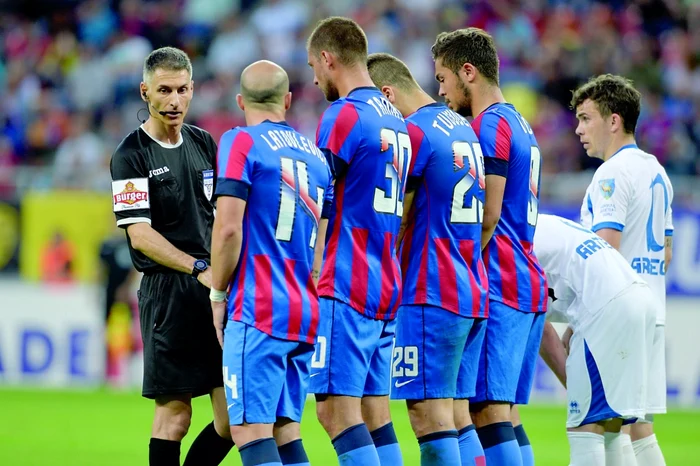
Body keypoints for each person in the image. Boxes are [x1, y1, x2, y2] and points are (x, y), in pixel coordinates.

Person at [109, 46, 233, 466]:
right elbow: (140, 236)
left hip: (212, 289)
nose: (174, 100)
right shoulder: (130, 155)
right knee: (174, 416)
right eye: (164, 90)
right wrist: (197, 267)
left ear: (193, 89)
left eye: (182, 90)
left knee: (233, 420)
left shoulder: (203, 143)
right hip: (168, 291)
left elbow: (221, 214)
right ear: (145, 91)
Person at [431, 28, 548, 466]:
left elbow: (488, 213)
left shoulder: (489, 124)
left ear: (468, 71)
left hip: (500, 281)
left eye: (443, 79)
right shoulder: (519, 122)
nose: (441, 92)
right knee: (505, 415)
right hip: (526, 281)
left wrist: (460, 267)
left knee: (486, 411)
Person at [367, 52, 488, 466]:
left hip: (430, 289)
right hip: (471, 286)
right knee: (456, 414)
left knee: (428, 415)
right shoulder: (463, 128)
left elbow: (399, 214)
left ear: (387, 94)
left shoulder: (414, 132)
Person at [209, 59, 332, 466]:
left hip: (259, 306)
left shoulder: (240, 141)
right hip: (303, 310)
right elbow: (322, 238)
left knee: (249, 430)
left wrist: (217, 292)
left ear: (241, 101)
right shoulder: (316, 157)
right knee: (285, 431)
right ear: (289, 100)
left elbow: (228, 229)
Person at [306, 16, 409, 466]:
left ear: (328, 59)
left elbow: (316, 198)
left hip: (346, 280)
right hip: (386, 280)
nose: (313, 77)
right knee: (373, 412)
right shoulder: (396, 118)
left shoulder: (345, 114)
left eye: (313, 65)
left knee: (334, 411)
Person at [573, 73, 674, 466]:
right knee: (637, 428)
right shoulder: (656, 171)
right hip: (651, 310)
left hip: (613, 315)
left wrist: (581, 319)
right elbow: (665, 251)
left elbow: (604, 254)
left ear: (614, 120)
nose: (579, 130)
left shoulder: (611, 173)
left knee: (592, 427)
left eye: (586, 118)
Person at [535, 214, 658, 466]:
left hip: (606, 307)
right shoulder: (542, 224)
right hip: (639, 298)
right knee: (613, 428)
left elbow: (537, 325)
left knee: (585, 431)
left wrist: (576, 387)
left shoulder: (509, 238)